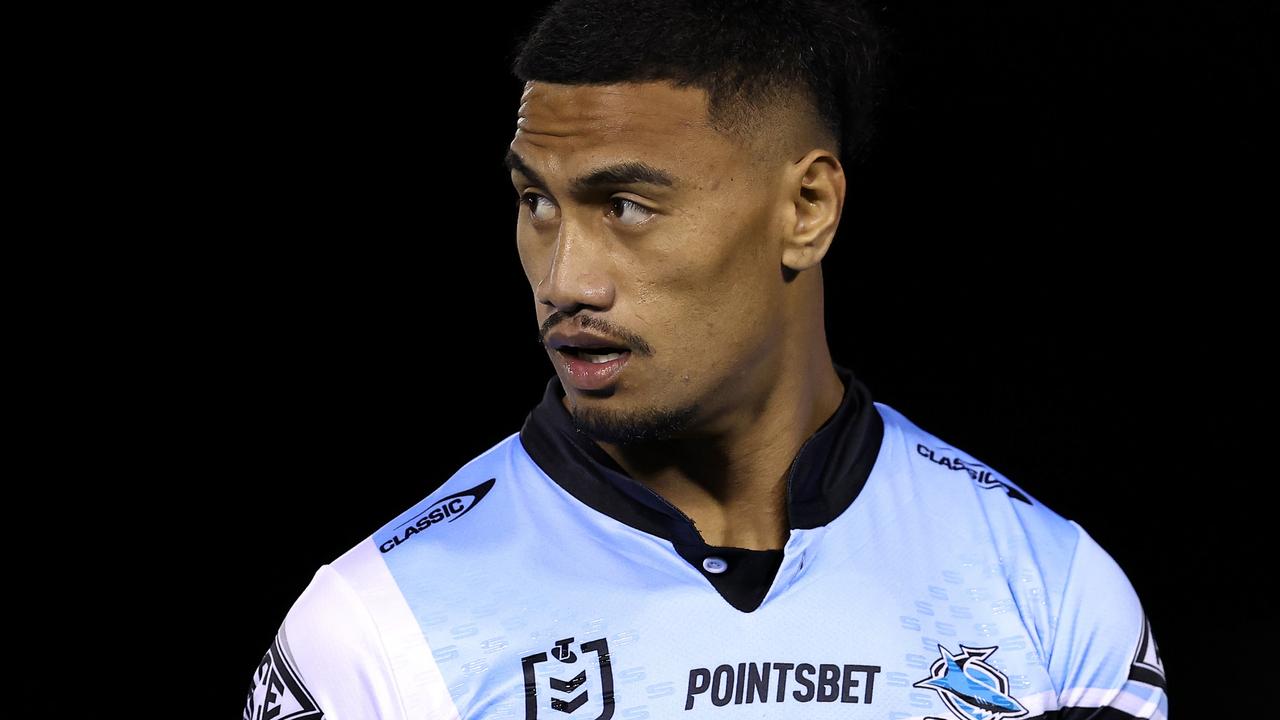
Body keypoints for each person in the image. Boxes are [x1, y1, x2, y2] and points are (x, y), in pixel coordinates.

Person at [244, 1, 1169, 718]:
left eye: (628, 208)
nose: (566, 279)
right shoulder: (375, 629)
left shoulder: (1046, 596)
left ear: (807, 208)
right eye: (537, 203)